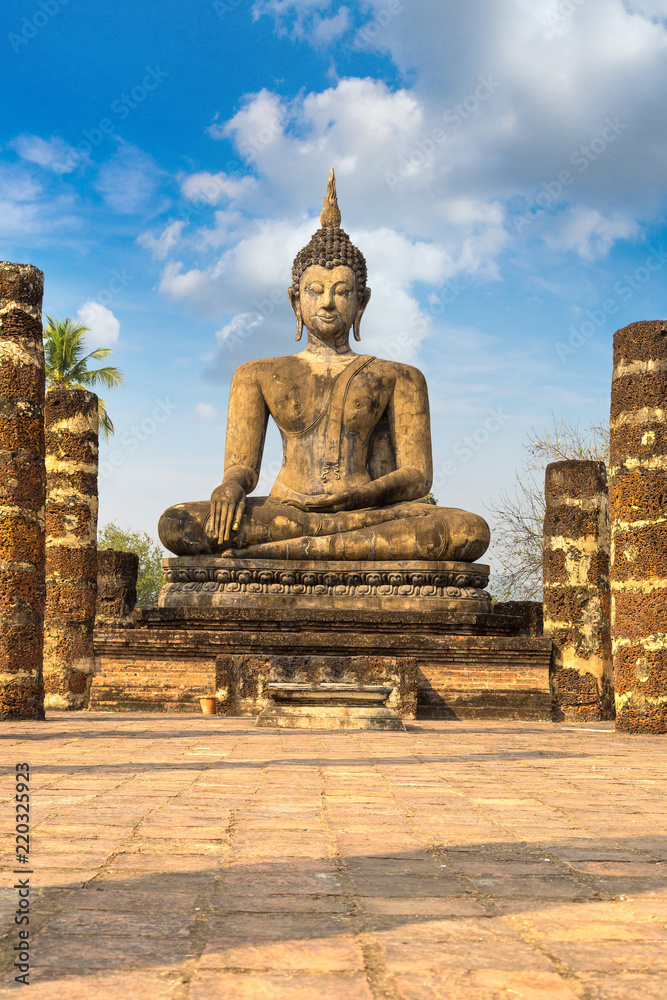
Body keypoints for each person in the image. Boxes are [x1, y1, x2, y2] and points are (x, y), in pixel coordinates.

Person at [158, 170, 489, 563]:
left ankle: (286, 553)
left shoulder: (399, 377)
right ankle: (320, 548)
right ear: (295, 301)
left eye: (342, 291)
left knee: (466, 531)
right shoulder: (257, 374)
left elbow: (417, 476)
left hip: (365, 514)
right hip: (286, 511)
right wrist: (229, 488)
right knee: (179, 523)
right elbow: (242, 467)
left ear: (361, 302)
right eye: (315, 291)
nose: (328, 302)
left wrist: (359, 497)